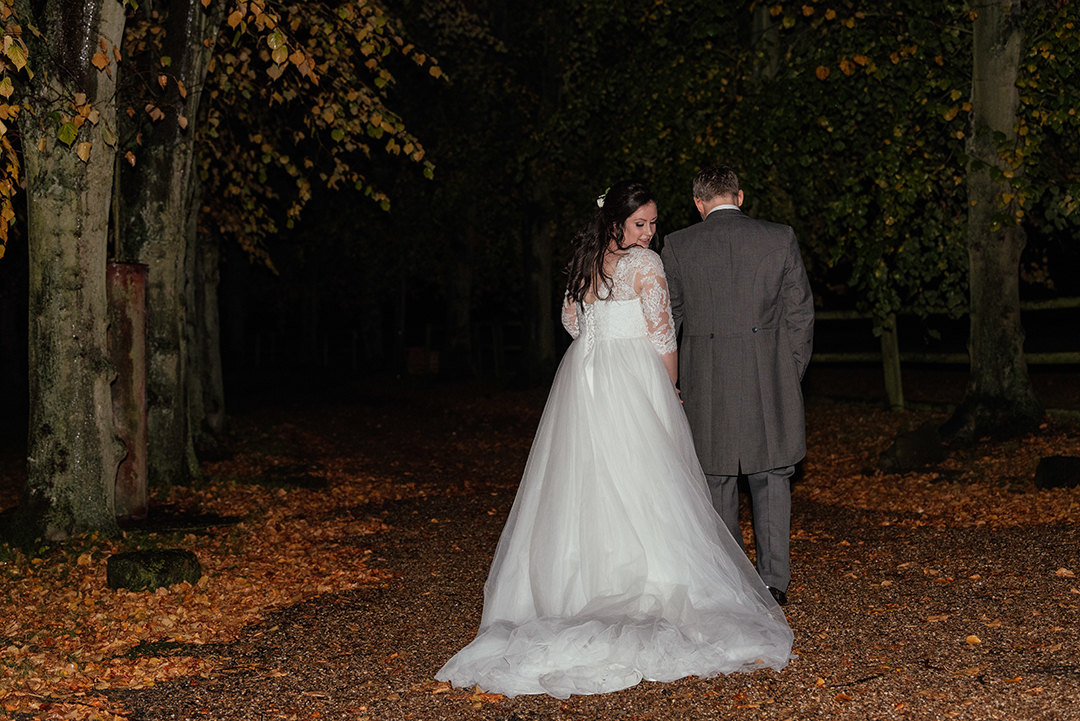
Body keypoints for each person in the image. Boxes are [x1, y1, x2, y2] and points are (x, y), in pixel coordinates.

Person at [435, 180, 794, 699]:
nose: (649, 234)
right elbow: (663, 333)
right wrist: (670, 387)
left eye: (652, 223)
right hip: (632, 375)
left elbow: (570, 321)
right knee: (644, 473)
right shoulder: (646, 266)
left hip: (586, 378)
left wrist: (600, 343)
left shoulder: (586, 264)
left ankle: (578, 583)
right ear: (616, 224)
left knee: (588, 476)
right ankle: (651, 577)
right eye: (640, 224)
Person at [661, 166, 814, 607]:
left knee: (718, 479)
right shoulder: (779, 237)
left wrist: (674, 380)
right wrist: (789, 372)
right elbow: (800, 315)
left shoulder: (678, 245)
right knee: (771, 478)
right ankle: (773, 582)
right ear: (740, 196)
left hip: (706, 381)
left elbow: (668, 323)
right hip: (769, 375)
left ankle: (730, 581)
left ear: (698, 202)